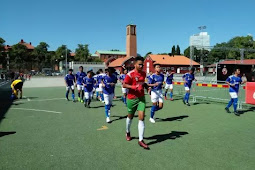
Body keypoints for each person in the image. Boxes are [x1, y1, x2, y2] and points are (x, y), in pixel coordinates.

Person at [123, 56, 149, 149]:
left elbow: (143, 83)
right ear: (135, 64)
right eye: (140, 64)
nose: (141, 66)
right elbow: (124, 84)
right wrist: (134, 87)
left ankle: (140, 140)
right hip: (131, 98)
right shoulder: (130, 74)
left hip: (141, 98)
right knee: (130, 117)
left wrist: (147, 87)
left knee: (141, 118)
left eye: (142, 64)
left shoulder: (144, 73)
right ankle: (127, 132)